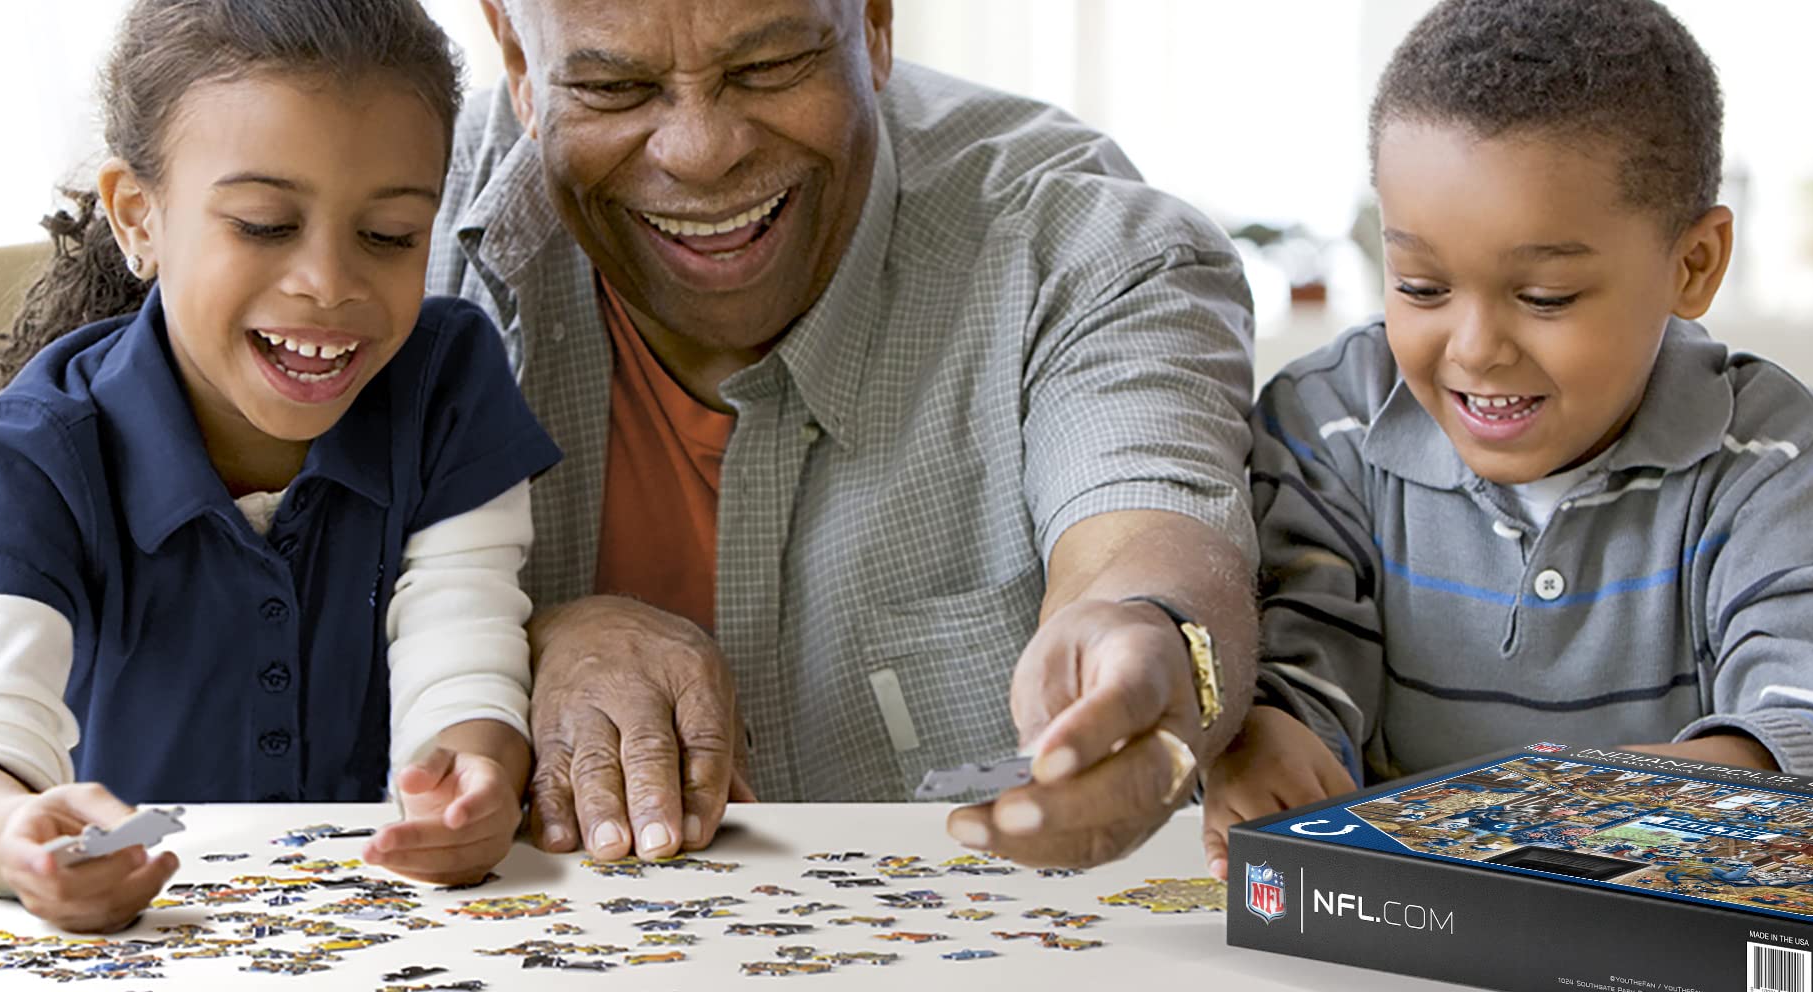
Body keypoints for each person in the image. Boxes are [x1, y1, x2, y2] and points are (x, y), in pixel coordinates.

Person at [433, 0, 1260, 868]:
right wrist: (515, 642)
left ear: (873, 23)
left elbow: (1146, 539)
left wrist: (1154, 645)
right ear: (518, 61)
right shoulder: (374, 223)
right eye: (612, 86)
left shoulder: (1080, 244)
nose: (701, 151)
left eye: (768, 67)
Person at [0, 0, 560, 932]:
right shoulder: (37, 451)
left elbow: (463, 648)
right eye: (261, 223)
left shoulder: (448, 384)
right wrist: (15, 836)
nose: (328, 281)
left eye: (391, 235)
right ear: (139, 217)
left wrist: (472, 777)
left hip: (391, 929)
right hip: (143, 939)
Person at [1201, 0, 1813, 878]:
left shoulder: (1784, 465)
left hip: (1668, 915)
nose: (1475, 348)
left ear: (1693, 265)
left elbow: (1812, 718)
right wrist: (1268, 735)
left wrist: (1613, 807)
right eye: (1420, 286)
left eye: (1545, 298)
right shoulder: (1325, 425)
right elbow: (1305, 651)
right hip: (1394, 921)